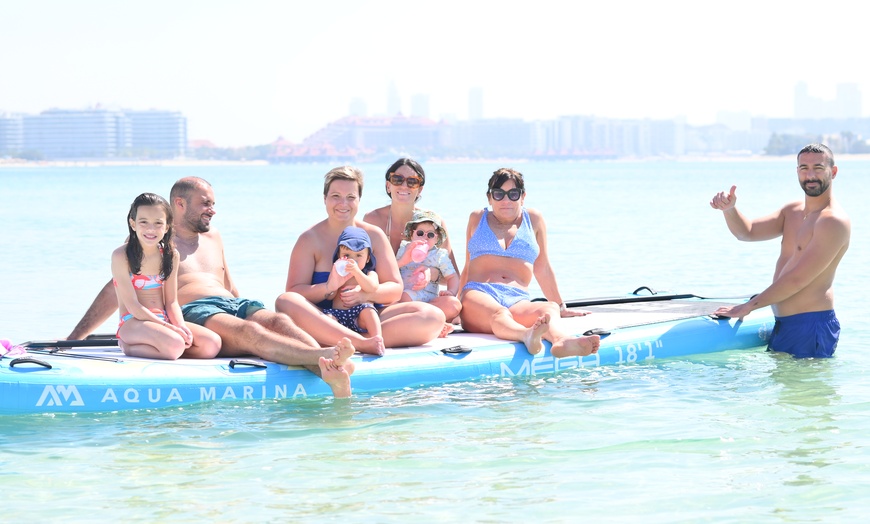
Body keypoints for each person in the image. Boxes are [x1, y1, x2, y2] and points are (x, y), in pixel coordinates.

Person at [67, 177, 355, 398]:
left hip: (232, 305)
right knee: (250, 332)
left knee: (277, 320)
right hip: (197, 311)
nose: (212, 211)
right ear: (180, 204)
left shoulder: (214, 236)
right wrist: (73, 339)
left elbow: (227, 280)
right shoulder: (155, 244)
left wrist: (248, 308)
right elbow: (116, 289)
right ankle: (326, 358)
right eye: (205, 204)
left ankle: (327, 365)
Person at [275, 166, 445, 355]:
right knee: (284, 301)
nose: (343, 203)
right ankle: (361, 343)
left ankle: (348, 340)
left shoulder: (374, 235)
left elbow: (395, 288)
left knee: (432, 316)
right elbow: (293, 292)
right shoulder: (309, 239)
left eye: (350, 197)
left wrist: (364, 295)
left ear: (359, 200)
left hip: (368, 317)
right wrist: (328, 288)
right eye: (336, 196)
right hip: (325, 317)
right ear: (325, 199)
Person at [709, 143, 850, 358]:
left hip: (810, 324)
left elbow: (797, 280)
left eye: (818, 168)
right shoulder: (792, 211)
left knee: (806, 391)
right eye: (804, 168)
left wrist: (748, 307)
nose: (810, 175)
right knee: (786, 391)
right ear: (797, 172)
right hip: (784, 323)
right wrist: (730, 209)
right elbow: (746, 232)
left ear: (834, 171)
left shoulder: (832, 221)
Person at [459, 168, 600, 357]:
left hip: (517, 298)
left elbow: (542, 267)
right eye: (499, 194)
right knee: (499, 313)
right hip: (479, 293)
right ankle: (526, 335)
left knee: (548, 309)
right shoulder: (477, 218)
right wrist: (455, 306)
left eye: (513, 194)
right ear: (489, 197)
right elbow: (468, 265)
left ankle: (562, 341)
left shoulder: (533, 219)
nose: (506, 200)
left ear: (523, 196)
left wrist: (559, 305)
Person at [362, 158, 461, 323]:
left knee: (453, 305)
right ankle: (426, 321)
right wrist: (401, 261)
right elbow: (365, 269)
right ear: (388, 185)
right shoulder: (372, 219)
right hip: (389, 298)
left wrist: (432, 273)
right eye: (397, 179)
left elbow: (451, 276)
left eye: (412, 182)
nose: (404, 186)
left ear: (420, 189)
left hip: (422, 296)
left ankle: (421, 319)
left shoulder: (434, 223)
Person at [111, 192, 196, 359]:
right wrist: (169, 328)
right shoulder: (121, 256)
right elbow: (133, 306)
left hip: (162, 319)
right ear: (133, 224)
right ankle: (128, 347)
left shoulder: (171, 255)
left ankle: (165, 345)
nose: (151, 229)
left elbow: (171, 301)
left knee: (211, 345)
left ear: (167, 226)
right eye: (144, 222)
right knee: (175, 345)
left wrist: (180, 326)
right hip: (133, 321)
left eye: (158, 223)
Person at [395, 210, 461, 336]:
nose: (425, 238)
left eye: (430, 235)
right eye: (420, 233)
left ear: (436, 238)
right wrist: (403, 259)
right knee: (404, 296)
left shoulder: (439, 255)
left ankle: (431, 321)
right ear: (412, 235)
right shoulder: (404, 248)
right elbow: (392, 269)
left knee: (454, 304)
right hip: (407, 296)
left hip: (429, 298)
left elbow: (452, 276)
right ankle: (434, 325)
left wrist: (451, 292)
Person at [322, 226, 382, 342]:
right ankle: (335, 343)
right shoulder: (337, 273)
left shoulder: (370, 273)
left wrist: (356, 272)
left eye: (359, 255)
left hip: (360, 314)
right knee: (327, 318)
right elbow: (329, 296)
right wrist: (333, 285)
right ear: (339, 256)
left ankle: (377, 339)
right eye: (347, 255)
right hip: (338, 315)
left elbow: (372, 288)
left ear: (368, 258)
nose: (352, 260)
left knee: (369, 311)